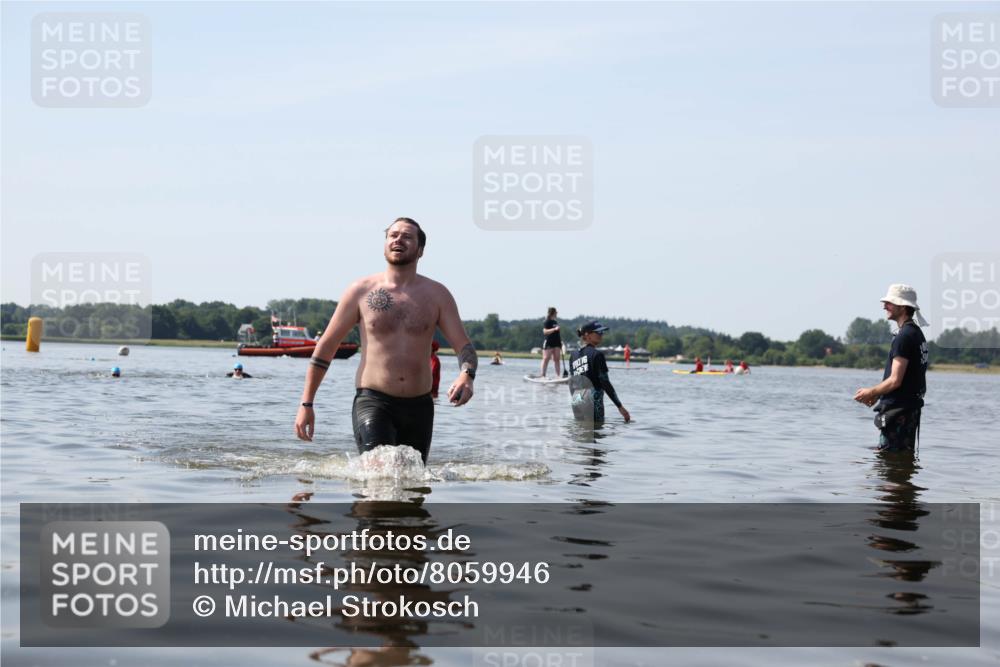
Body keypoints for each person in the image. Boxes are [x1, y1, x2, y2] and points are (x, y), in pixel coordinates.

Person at [294, 217, 477, 463]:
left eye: (407, 236)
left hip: (420, 407)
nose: (398, 239)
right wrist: (307, 403)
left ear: (420, 250)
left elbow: (463, 346)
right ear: (385, 244)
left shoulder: (437, 295)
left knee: (412, 484)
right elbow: (326, 347)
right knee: (379, 473)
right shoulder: (360, 291)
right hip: (373, 401)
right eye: (393, 235)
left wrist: (467, 375)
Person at [853, 284, 929, 452]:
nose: (884, 306)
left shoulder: (904, 336)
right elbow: (906, 378)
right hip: (909, 409)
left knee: (890, 462)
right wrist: (879, 394)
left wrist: (871, 392)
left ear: (902, 307)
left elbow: (895, 380)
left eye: (889, 303)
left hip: (899, 412)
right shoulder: (916, 334)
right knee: (900, 463)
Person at [568, 321, 630, 424]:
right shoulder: (597, 355)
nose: (601, 335)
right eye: (598, 332)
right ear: (587, 335)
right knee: (596, 433)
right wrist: (620, 407)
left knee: (580, 434)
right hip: (593, 402)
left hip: (577, 400)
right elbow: (605, 383)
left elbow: (572, 383)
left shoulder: (573, 355)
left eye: (602, 332)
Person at [540, 307, 562, 378]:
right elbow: (545, 332)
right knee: (546, 358)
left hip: (556, 343)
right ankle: (543, 375)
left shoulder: (555, 322)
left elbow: (557, 333)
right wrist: (554, 329)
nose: (557, 313)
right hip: (549, 342)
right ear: (553, 313)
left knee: (557, 359)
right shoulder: (547, 321)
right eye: (556, 312)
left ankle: (558, 376)